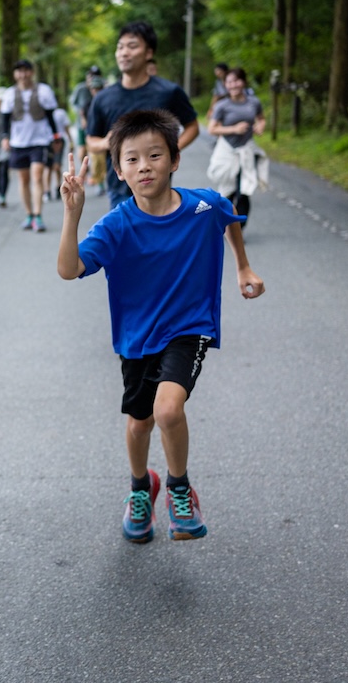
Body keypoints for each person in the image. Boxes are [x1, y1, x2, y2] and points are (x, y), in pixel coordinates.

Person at [56, 109, 265, 544]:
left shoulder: (203, 206)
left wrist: (243, 267)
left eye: (154, 155)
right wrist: (72, 215)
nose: (144, 166)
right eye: (131, 159)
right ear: (118, 170)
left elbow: (228, 216)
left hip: (190, 327)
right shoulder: (116, 225)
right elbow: (69, 269)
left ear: (175, 160)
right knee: (140, 422)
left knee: (168, 409)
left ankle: (179, 488)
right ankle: (140, 487)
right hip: (137, 337)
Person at [86, 21, 200, 209]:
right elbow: (91, 140)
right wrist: (106, 143)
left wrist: (168, 151)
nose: (124, 53)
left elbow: (192, 126)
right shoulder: (102, 98)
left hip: (159, 189)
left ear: (148, 53)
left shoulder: (169, 92)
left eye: (132, 46)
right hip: (119, 189)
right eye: (120, 47)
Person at [0, 59, 63, 232]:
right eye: (19, 71)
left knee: (37, 176)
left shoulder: (43, 91)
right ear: (15, 74)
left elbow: (50, 116)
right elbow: (5, 119)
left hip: (39, 141)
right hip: (18, 142)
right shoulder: (9, 94)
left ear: (32, 72)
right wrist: (5, 137)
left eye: (26, 70)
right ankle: (29, 214)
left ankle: (38, 215)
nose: (23, 75)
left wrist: (56, 137)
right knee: (23, 179)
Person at [207, 67, 269, 227]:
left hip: (246, 150)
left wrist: (260, 126)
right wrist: (234, 129)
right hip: (226, 150)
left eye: (236, 81)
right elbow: (211, 129)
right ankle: (226, 226)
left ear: (244, 82)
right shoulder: (222, 105)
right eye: (229, 82)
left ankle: (239, 229)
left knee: (244, 191)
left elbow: (261, 119)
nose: (233, 85)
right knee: (228, 191)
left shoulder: (253, 102)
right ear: (225, 85)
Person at [68, 65, 101, 172]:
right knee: (82, 151)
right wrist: (80, 113)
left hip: (96, 124)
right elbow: (73, 103)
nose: (92, 78)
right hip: (81, 124)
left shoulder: (101, 88)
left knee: (96, 151)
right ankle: (85, 170)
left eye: (95, 76)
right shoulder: (81, 89)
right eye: (91, 76)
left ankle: (96, 175)